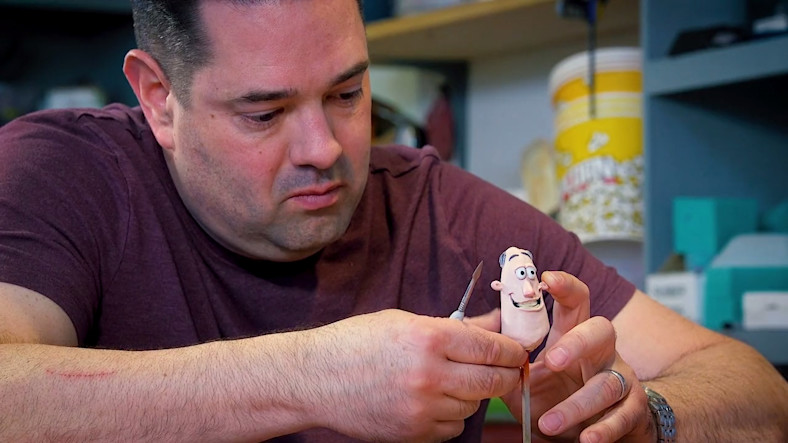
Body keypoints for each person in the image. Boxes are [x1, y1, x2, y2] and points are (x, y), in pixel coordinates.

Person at [0, 0, 785, 441]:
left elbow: (755, 388)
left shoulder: (436, 207)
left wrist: (647, 416)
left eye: (347, 94)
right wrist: (309, 377)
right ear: (160, 99)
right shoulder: (66, 175)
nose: (327, 149)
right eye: (265, 112)